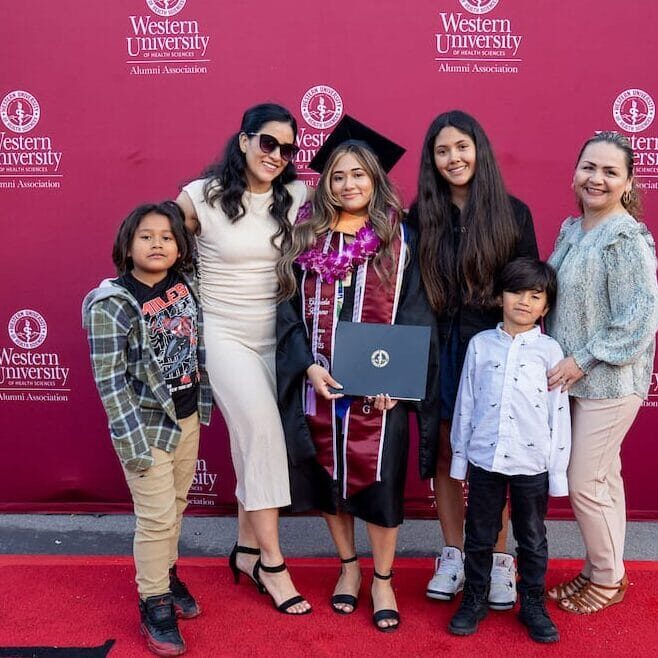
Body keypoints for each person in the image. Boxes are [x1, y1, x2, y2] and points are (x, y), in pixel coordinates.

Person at [276, 116, 440, 632]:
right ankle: (349, 569)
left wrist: (399, 378)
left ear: (376, 179)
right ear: (325, 183)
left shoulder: (401, 235)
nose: (348, 184)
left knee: (380, 480)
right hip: (318, 380)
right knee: (328, 479)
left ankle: (384, 577)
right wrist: (304, 363)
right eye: (338, 176)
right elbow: (284, 306)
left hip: (380, 387)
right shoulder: (305, 237)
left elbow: (416, 308)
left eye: (359, 175)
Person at [175, 103, 312, 615]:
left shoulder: (295, 196)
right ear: (243, 140)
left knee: (247, 444)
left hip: (276, 336)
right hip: (224, 334)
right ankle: (274, 564)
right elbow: (160, 240)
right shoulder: (201, 196)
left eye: (288, 149)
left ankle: (247, 550)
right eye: (268, 143)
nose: (277, 155)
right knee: (262, 434)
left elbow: (354, 206)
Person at [409, 110, 539, 607]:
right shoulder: (420, 216)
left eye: (461, 147)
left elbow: (527, 285)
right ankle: (454, 554)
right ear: (432, 160)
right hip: (438, 350)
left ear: (478, 148)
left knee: (494, 455)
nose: (453, 158)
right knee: (444, 448)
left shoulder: (513, 212)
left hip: (493, 347)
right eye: (442, 151)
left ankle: (499, 560)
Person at [82, 201, 213, 657]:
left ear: (180, 248)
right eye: (145, 236)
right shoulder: (111, 303)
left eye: (167, 237)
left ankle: (167, 573)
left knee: (175, 508)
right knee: (155, 517)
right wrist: (131, 440)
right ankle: (153, 601)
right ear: (126, 245)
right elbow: (109, 381)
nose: (157, 243)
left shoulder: (187, 286)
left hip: (187, 414)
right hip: (143, 426)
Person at [545, 131, 658, 614]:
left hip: (611, 382)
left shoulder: (626, 238)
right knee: (603, 478)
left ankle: (609, 578)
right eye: (589, 167)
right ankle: (599, 568)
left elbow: (639, 319)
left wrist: (581, 360)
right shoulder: (573, 230)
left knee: (586, 480)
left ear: (630, 181)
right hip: (578, 383)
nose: (597, 178)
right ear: (575, 172)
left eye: (611, 171)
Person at [446, 257, 570, 644]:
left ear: (546, 307)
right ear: (500, 296)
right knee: (481, 532)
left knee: (531, 535)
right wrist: (460, 458)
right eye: (516, 292)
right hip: (486, 459)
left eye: (536, 296)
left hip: (532, 463)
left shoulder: (551, 352)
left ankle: (532, 600)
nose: (524, 302)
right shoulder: (481, 346)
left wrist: (557, 471)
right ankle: (476, 597)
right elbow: (466, 402)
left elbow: (558, 413)